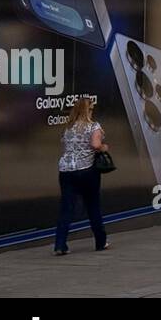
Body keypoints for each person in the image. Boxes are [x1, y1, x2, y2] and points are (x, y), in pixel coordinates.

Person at [53, 97, 110, 255]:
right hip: (87, 170)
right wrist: (104, 147)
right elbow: (95, 145)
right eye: (91, 108)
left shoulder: (68, 127)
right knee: (93, 206)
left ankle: (60, 244)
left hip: (66, 170)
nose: (93, 111)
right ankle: (100, 241)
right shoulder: (93, 126)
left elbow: (64, 144)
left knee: (66, 208)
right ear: (88, 110)